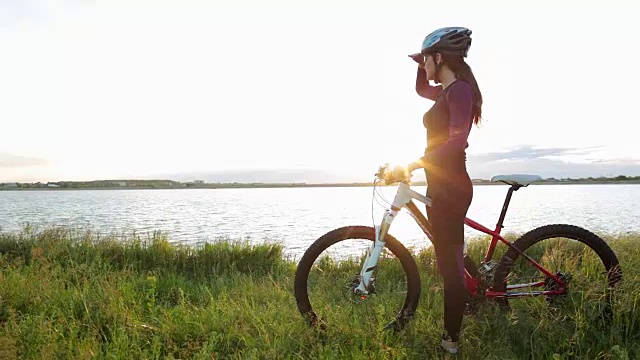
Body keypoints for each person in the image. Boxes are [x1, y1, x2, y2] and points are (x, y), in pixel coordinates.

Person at [405, 26, 482, 354]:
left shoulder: (460, 91)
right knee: (448, 251)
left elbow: (456, 141)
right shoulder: (446, 91)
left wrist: (412, 164)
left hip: (452, 189)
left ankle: (450, 341)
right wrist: (418, 63)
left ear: (440, 57)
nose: (425, 66)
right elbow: (423, 89)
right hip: (439, 185)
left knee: (449, 269)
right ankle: (478, 292)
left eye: (427, 60)